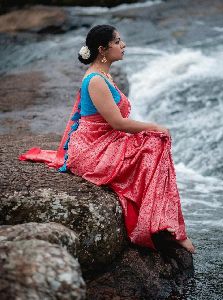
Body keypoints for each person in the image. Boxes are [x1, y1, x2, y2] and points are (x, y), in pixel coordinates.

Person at [19, 24, 195, 254]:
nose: (123, 45)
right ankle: (162, 223)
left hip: (104, 140)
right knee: (154, 142)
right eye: (118, 41)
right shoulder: (95, 81)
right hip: (92, 148)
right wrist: (156, 126)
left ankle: (161, 219)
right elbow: (119, 124)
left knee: (153, 142)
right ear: (103, 49)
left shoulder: (104, 75)